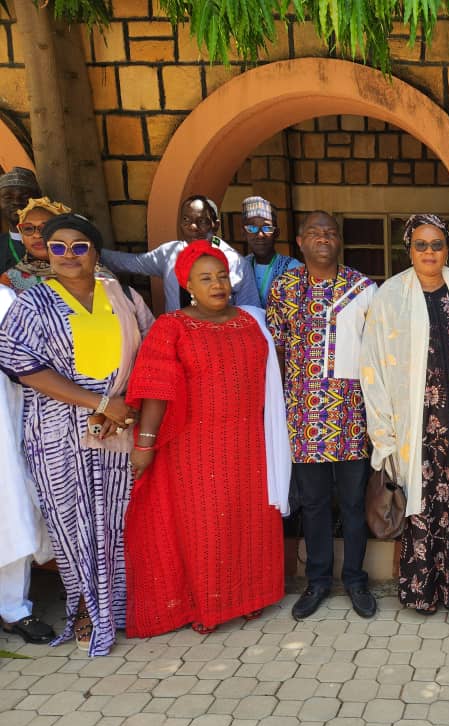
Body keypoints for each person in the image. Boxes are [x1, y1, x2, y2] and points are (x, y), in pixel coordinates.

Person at [0, 213, 153, 655]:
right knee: (73, 523)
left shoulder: (122, 295)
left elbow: (149, 352)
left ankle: (120, 608)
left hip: (120, 428)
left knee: (117, 521)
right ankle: (85, 606)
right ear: (45, 252)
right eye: (58, 246)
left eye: (79, 245)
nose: (69, 255)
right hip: (57, 433)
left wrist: (124, 406)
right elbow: (24, 368)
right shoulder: (32, 303)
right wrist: (100, 403)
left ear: (95, 252)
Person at [125, 240, 290, 637]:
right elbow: (155, 389)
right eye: (205, 279)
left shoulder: (250, 322)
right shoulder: (172, 326)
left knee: (246, 521)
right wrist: (145, 443)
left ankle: (249, 597)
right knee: (205, 527)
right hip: (195, 447)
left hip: (249, 443)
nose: (217, 285)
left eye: (221, 277)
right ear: (188, 286)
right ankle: (207, 604)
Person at [361, 214, 449, 614]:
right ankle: (420, 592)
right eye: (421, 245)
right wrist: (384, 434)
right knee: (420, 501)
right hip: (413, 422)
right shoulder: (390, 295)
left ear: (448, 249)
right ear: (409, 249)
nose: (429, 252)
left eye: (437, 245)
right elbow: (373, 367)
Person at [267, 211, 378, 620]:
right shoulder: (284, 287)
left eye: (330, 232)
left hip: (352, 416)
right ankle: (317, 581)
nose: (323, 238)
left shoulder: (363, 288)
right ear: (299, 241)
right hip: (301, 417)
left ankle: (354, 579)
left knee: (352, 504)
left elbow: (378, 353)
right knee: (313, 504)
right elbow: (275, 351)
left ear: (339, 240)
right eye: (314, 232)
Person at [0, 284, 55, 645]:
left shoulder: (3, 299)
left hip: (3, 418)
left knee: (9, 507)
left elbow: (22, 360)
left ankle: (13, 609)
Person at [101, 195, 258, 312]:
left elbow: (250, 312)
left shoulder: (235, 262)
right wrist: (92, 251)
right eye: (186, 220)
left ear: (215, 225)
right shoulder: (169, 254)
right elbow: (130, 262)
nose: (193, 227)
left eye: (202, 221)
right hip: (179, 342)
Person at [1, 197, 72, 292]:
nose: (37, 235)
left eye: (45, 227)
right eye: (28, 229)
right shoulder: (10, 280)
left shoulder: (86, 269)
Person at [241, 195, 301, 305]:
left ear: (277, 233)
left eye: (267, 228)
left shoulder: (293, 268)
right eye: (252, 228)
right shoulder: (240, 267)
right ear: (244, 233)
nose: (260, 234)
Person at [0, 168, 42, 274]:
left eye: (25, 196)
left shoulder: (56, 242)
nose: (16, 202)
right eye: (8, 197)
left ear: (39, 199)